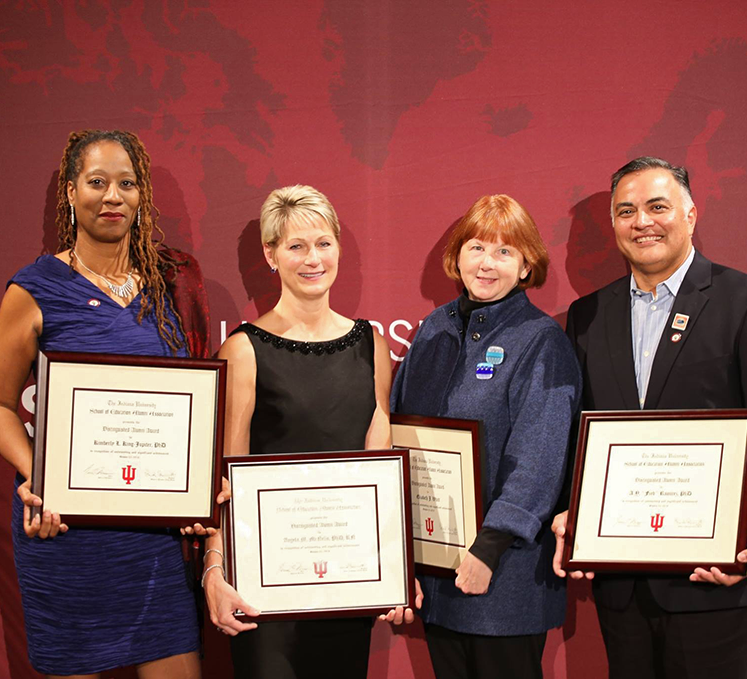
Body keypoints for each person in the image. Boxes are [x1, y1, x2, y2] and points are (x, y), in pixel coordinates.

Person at [0, 129, 208, 678]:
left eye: (126, 184)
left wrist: (197, 486)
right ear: (70, 192)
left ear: (141, 197)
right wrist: (36, 476)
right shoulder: (33, 289)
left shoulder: (172, 284)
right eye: (97, 182)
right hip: (65, 531)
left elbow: (192, 400)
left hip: (153, 537)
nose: (112, 196)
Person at [553, 156, 747, 679]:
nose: (642, 222)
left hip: (715, 580)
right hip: (623, 584)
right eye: (626, 210)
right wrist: (573, 511)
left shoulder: (740, 300)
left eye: (657, 206)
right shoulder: (588, 316)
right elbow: (580, 434)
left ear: (690, 215)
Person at [201, 185, 394, 679]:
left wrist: (395, 568)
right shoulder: (242, 350)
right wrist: (214, 569)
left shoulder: (371, 345)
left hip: (348, 581)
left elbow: (380, 467)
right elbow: (226, 476)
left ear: (339, 249)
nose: (313, 259)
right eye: (296, 246)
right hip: (265, 585)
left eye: (323, 243)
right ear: (271, 254)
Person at [391, 194, 581, 679]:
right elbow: (400, 437)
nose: (487, 263)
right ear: (456, 257)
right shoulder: (433, 330)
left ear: (526, 266)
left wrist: (489, 548)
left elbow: (540, 457)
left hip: (503, 575)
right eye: (477, 247)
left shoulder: (541, 340)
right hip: (437, 574)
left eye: (505, 252)